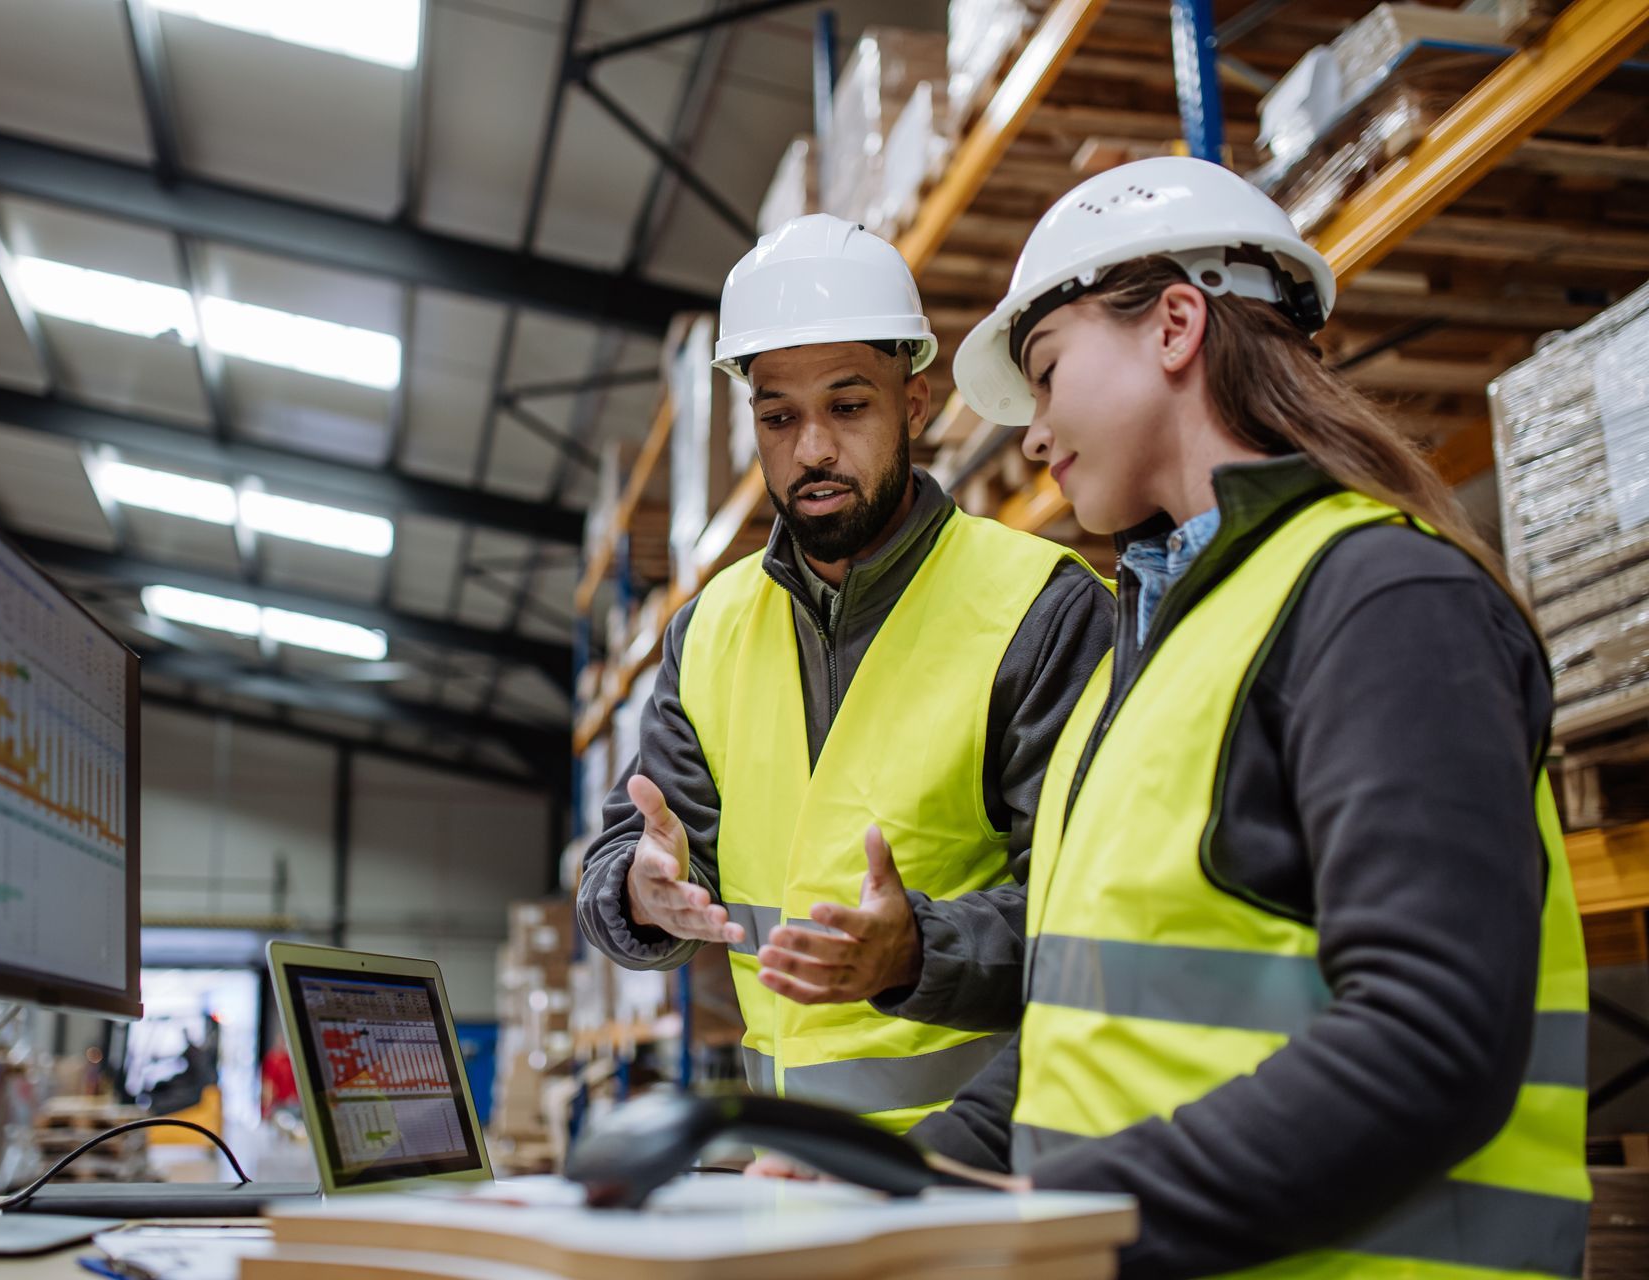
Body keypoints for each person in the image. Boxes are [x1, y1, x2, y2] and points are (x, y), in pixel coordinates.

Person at [882, 155, 1586, 1277]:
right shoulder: (1152, 652)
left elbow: (1428, 1040)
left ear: (1173, 326)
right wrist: (894, 1191)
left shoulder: (1383, 604)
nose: (1033, 433)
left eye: (1049, 371)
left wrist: (1061, 1217)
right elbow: (1082, 1024)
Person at [575, 213, 1114, 1133]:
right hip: (792, 1177)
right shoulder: (707, 631)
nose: (813, 450)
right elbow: (624, 857)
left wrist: (920, 951)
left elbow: (1098, 917)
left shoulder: (1043, 608)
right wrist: (638, 889)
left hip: (991, 1177)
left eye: (849, 406)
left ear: (914, 403)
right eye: (779, 418)